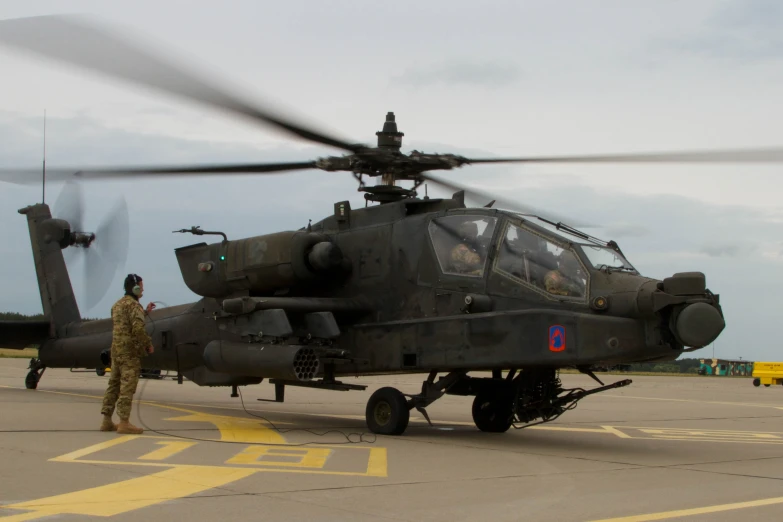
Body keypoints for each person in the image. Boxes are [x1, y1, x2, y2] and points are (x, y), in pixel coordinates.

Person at [99, 274, 155, 434]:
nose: (143, 289)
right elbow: (137, 328)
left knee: (113, 385)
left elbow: (124, 322)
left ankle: (106, 421)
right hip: (129, 352)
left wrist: (145, 312)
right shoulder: (134, 306)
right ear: (135, 287)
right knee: (127, 386)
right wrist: (148, 344)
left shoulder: (117, 305)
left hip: (116, 351)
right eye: (141, 286)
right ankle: (124, 422)